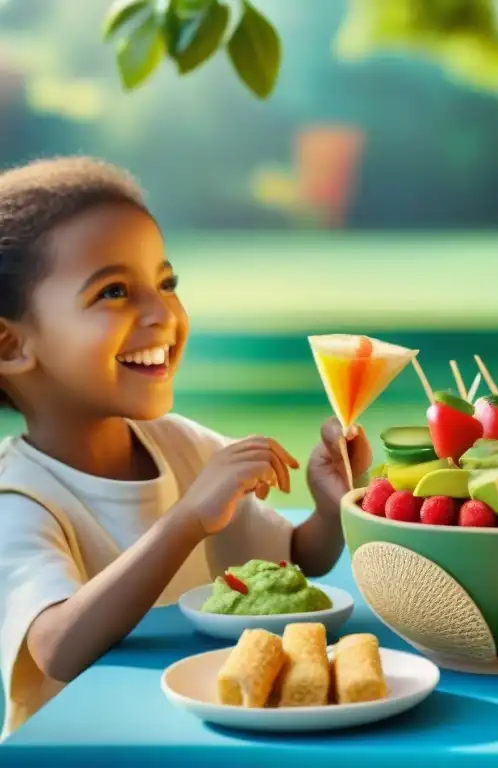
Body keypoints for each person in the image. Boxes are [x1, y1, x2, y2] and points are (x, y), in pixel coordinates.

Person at [0, 157, 373, 738]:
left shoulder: (182, 444)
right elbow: (56, 649)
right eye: (115, 291)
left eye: (167, 283)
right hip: (87, 748)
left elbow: (296, 562)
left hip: (196, 733)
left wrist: (328, 507)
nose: (162, 313)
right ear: (9, 344)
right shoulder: (19, 497)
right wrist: (187, 520)